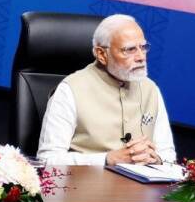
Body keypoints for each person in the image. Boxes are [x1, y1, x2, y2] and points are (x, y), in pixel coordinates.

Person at [37, 15, 177, 166]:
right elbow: (47, 159)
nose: (141, 57)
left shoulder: (151, 89)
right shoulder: (70, 90)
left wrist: (156, 158)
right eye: (129, 50)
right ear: (102, 55)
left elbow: (168, 153)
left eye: (143, 47)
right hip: (87, 186)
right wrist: (107, 159)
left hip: (139, 187)